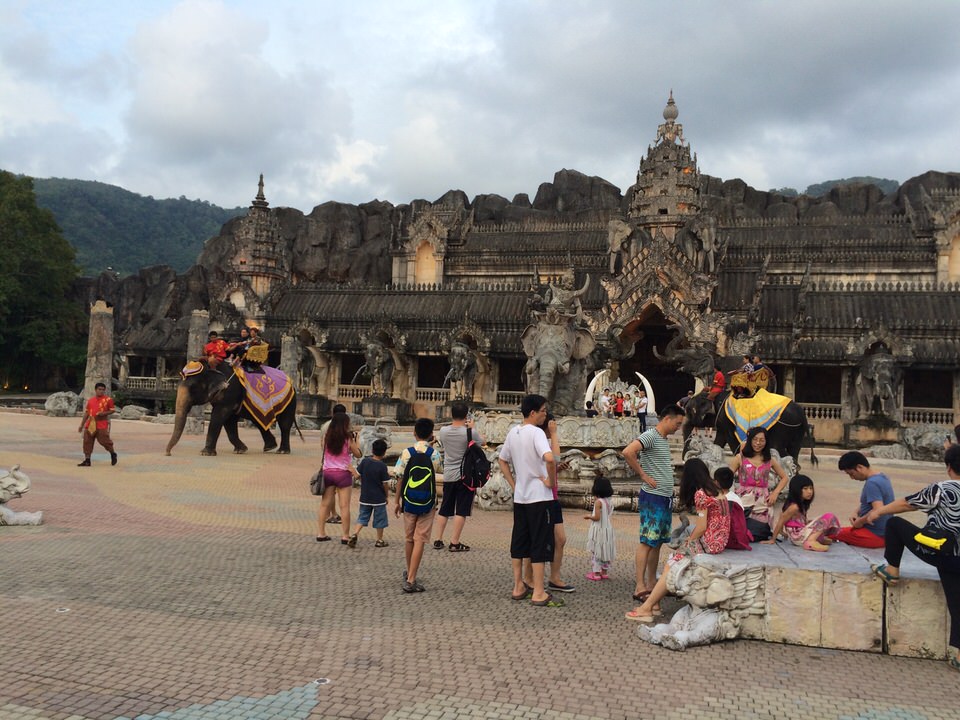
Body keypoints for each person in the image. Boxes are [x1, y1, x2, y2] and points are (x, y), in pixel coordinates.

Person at [865, 444, 960, 673]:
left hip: (940, 553)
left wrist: (878, 511)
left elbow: (908, 503)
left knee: (895, 524)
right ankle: (957, 655)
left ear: (948, 467)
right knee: (957, 607)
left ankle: (892, 571)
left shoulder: (943, 488)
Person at [626, 458, 730, 622]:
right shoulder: (717, 489)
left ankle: (647, 608)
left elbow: (702, 527)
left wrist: (690, 540)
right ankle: (655, 606)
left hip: (709, 543)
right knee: (673, 561)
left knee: (672, 565)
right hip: (720, 540)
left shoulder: (701, 494)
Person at [498, 394, 560, 607]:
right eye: (543, 410)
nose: (545, 414)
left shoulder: (513, 432)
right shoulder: (536, 433)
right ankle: (539, 591)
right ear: (533, 413)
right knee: (539, 541)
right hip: (539, 496)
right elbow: (550, 458)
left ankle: (518, 586)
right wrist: (550, 481)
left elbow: (502, 459)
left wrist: (514, 484)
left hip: (521, 496)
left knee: (519, 541)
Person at [622, 404, 685, 603]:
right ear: (667, 418)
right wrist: (643, 475)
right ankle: (639, 585)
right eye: (677, 423)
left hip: (663, 497)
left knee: (656, 542)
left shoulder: (662, 439)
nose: (678, 427)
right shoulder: (651, 435)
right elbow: (628, 452)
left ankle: (650, 582)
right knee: (647, 541)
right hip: (653, 497)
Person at [522, 412, 574, 593]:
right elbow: (555, 458)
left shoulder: (542, 442)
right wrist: (554, 434)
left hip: (552, 497)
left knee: (560, 539)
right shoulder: (539, 440)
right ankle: (528, 578)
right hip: (541, 498)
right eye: (550, 424)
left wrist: (557, 469)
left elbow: (551, 464)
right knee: (538, 539)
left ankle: (554, 577)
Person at [394, 417, 443, 593]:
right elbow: (438, 471)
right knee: (420, 539)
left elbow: (399, 477)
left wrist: (396, 501)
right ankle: (411, 579)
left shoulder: (406, 453)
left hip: (408, 500)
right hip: (428, 502)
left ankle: (410, 573)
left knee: (409, 538)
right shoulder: (434, 454)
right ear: (431, 434)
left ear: (414, 433)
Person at [432, 402, 483, 552]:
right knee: (461, 510)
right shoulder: (469, 432)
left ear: (451, 414)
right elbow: (481, 443)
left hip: (448, 475)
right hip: (464, 477)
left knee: (445, 508)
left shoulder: (443, 431)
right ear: (466, 415)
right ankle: (454, 542)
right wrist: (472, 428)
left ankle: (438, 539)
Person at [728, 426, 790, 541]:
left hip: (763, 501)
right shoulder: (740, 458)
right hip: (744, 499)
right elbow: (726, 476)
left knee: (760, 531)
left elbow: (785, 477)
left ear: (766, 442)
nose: (758, 443)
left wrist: (775, 493)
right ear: (750, 440)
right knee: (739, 527)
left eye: (762, 440)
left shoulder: (769, 460)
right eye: (755, 439)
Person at [316, 413, 361, 544]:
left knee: (324, 504)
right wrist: (356, 441)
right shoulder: (348, 439)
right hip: (343, 473)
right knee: (344, 506)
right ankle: (345, 536)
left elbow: (323, 450)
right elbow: (358, 454)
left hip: (328, 472)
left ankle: (321, 533)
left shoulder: (326, 437)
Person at [834, 451, 895, 549]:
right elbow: (874, 499)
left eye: (851, 474)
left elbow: (878, 510)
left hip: (874, 535)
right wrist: (856, 512)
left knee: (830, 532)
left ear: (859, 467)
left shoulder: (872, 483)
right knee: (840, 531)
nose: (852, 478)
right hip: (885, 534)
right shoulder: (882, 477)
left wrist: (860, 522)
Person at [763, 475, 840, 551]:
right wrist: (773, 539)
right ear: (796, 490)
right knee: (829, 516)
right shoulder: (794, 507)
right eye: (805, 489)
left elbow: (797, 520)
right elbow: (781, 520)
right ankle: (811, 541)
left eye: (811, 488)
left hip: (801, 533)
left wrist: (783, 533)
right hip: (798, 536)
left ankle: (814, 539)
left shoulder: (801, 504)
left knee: (827, 536)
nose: (809, 492)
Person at [347, 439, 390, 548]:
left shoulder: (365, 462)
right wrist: (386, 495)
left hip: (365, 497)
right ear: (384, 453)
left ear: (372, 450)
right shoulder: (382, 466)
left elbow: (357, 476)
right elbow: (385, 483)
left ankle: (355, 533)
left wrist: (352, 469)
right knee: (380, 519)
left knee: (362, 517)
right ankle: (379, 540)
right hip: (378, 499)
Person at [319, 404, 350, 524]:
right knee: (345, 505)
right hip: (342, 469)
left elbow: (322, 444)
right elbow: (355, 451)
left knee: (326, 499)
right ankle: (345, 535)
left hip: (328, 465)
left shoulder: (326, 426)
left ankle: (327, 520)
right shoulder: (345, 428)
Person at [584, 474, 616, 581]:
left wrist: (589, 516)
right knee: (605, 550)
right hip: (608, 529)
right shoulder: (609, 501)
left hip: (599, 530)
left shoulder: (598, 502)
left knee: (597, 551)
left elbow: (597, 517)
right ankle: (604, 572)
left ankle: (596, 573)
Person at [77, 382, 117, 467]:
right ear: (95, 390)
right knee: (87, 441)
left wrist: (104, 413)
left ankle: (112, 453)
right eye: (99, 389)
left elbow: (112, 410)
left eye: (103, 390)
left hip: (101, 423)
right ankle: (87, 460)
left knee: (104, 441)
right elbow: (87, 413)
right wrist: (82, 425)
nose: (101, 391)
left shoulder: (108, 400)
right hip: (90, 423)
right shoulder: (91, 400)